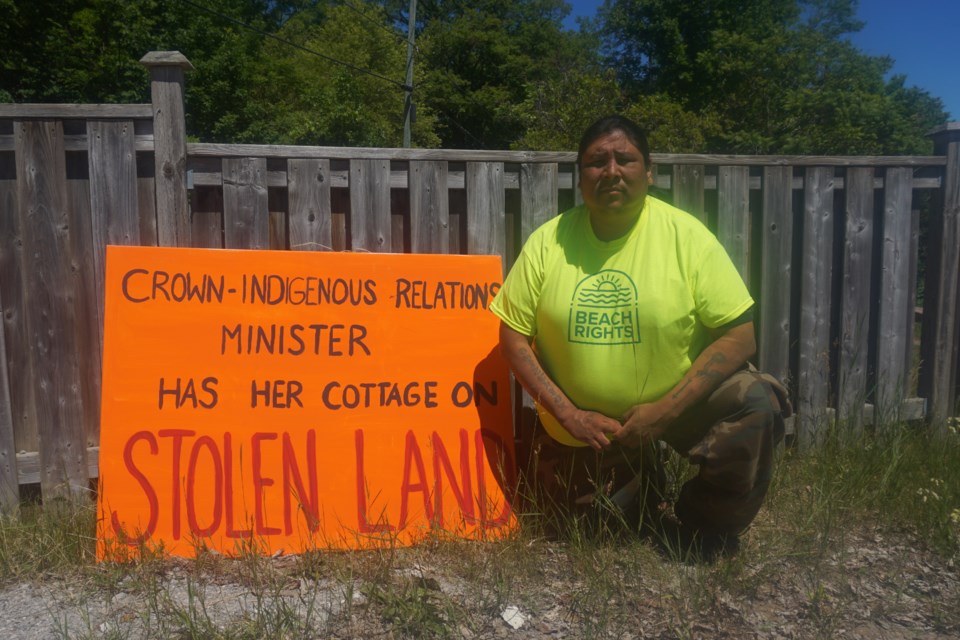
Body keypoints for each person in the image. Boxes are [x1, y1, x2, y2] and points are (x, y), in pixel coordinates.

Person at [489, 115, 789, 559]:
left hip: (678, 405)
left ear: (649, 172)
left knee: (756, 401)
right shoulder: (548, 242)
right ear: (580, 176)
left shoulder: (687, 237)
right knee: (596, 533)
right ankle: (640, 476)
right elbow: (512, 336)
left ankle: (705, 521)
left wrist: (663, 414)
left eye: (624, 159)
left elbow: (739, 336)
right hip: (585, 429)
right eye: (596, 162)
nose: (611, 171)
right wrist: (570, 415)